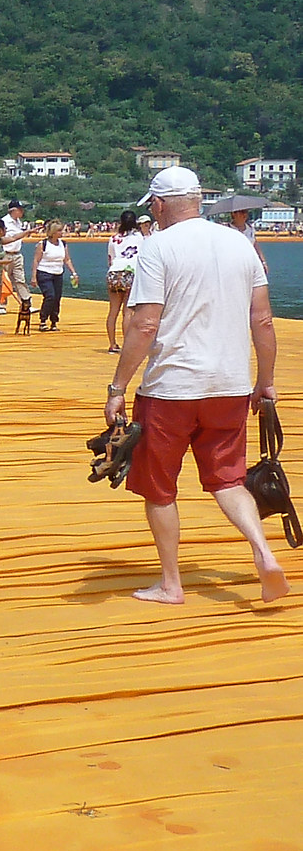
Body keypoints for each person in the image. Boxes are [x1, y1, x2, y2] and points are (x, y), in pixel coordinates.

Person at [107, 165, 286, 607]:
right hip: (229, 386)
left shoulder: (158, 247)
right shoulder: (240, 245)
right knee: (228, 479)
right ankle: (263, 552)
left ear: (161, 204)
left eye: (152, 203)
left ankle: (171, 583)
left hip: (171, 387)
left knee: (159, 486)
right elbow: (262, 320)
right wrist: (265, 382)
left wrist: (117, 387)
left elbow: (145, 323)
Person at [105, 209, 148, 351]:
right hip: (130, 272)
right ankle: (127, 344)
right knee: (128, 312)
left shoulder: (114, 238)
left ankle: (112, 344)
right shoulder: (140, 237)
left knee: (113, 311)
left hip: (114, 272)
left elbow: (110, 258)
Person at [32, 220, 77, 331]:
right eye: (59, 230)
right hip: (44, 273)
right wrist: (33, 276)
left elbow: (67, 259)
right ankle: (43, 320)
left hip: (58, 273)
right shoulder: (43, 244)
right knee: (50, 296)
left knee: (57, 298)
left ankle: (54, 321)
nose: (61, 232)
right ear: (52, 232)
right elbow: (36, 260)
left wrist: (74, 272)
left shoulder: (63, 244)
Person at [0, 201, 33, 320]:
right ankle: (1, 305)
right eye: (20, 209)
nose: (22, 211)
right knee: (4, 280)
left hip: (17, 254)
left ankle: (26, 304)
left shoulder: (18, 222)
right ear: (13, 210)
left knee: (20, 279)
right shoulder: (4, 222)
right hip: (5, 254)